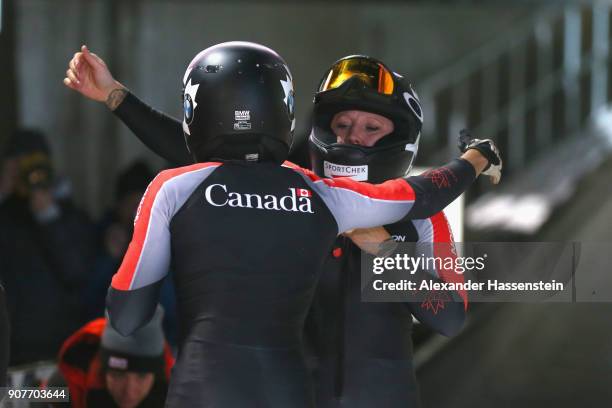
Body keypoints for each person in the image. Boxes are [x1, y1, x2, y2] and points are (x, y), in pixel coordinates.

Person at [64, 44, 501, 407]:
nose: (352, 137)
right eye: (342, 124)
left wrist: (385, 251)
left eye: (371, 127)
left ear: (397, 135)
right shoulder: (299, 186)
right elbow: (201, 153)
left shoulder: (423, 216)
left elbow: (450, 317)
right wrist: (116, 97)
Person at [0, 129, 94, 365]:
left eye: (35, 164)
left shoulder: (69, 215)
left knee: (55, 398)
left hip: (60, 346)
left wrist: (49, 218)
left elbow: (77, 273)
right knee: (15, 401)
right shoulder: (6, 214)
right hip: (11, 349)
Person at [51, 306, 173, 408]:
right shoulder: (67, 380)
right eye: (118, 375)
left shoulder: (179, 389)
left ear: (156, 375)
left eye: (142, 377)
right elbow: (36, 396)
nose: (129, 392)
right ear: (103, 368)